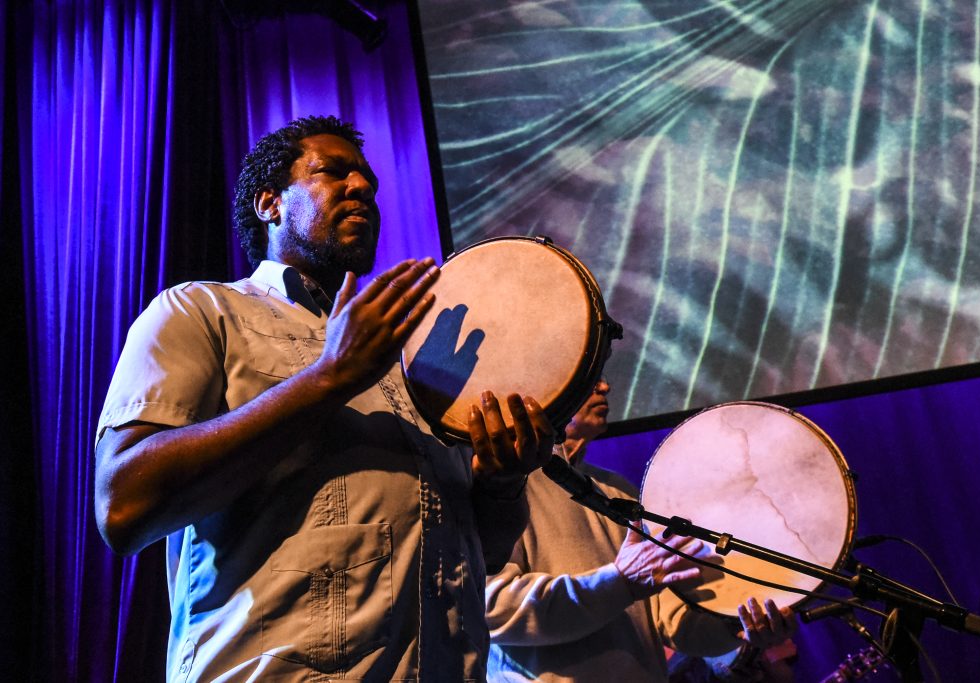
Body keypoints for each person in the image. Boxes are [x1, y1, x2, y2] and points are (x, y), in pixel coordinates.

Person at [93, 115, 554, 681]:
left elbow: (476, 554)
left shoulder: (414, 363)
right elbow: (124, 506)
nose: (362, 187)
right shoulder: (201, 311)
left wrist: (502, 484)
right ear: (270, 204)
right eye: (333, 173)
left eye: (367, 180)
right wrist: (328, 378)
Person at [484, 380, 798, 682]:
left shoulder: (619, 492)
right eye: (591, 378)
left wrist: (736, 626)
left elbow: (672, 622)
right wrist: (619, 582)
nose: (604, 387)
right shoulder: (505, 487)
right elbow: (494, 608)